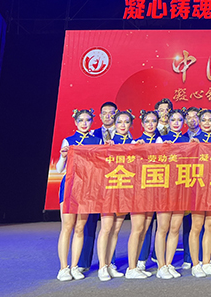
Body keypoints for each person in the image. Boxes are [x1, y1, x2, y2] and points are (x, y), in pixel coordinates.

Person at [98, 110, 152, 280]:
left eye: (126, 122)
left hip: (126, 191)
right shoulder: (108, 143)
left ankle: (109, 265)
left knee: (116, 229)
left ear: (131, 125)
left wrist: (141, 148)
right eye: (119, 122)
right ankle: (102, 267)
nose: (123, 125)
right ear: (114, 124)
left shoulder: (134, 143)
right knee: (106, 228)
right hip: (110, 190)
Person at [56, 109, 103, 281]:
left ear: (92, 122)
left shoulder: (97, 141)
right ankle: (63, 268)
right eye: (81, 120)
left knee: (79, 228)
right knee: (67, 227)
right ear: (75, 122)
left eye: (87, 120)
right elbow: (59, 169)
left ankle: (75, 266)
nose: (84, 123)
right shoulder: (68, 141)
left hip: (87, 187)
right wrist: (63, 156)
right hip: (69, 186)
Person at [78, 101, 117, 272]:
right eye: (105, 113)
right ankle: (83, 263)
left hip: (112, 183)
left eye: (111, 113)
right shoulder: (92, 135)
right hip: (92, 184)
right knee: (89, 223)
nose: (108, 115)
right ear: (100, 116)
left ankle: (109, 262)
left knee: (110, 226)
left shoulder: (124, 134)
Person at [187, 109, 211, 278]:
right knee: (196, 226)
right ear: (199, 122)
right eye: (204, 120)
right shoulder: (193, 141)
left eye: (210, 120)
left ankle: (207, 262)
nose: (207, 123)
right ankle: (196, 264)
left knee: (210, 226)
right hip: (198, 188)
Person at [152, 109, 185, 279]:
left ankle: (169, 263)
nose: (176, 123)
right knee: (162, 228)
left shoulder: (188, 141)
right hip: (164, 189)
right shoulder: (161, 139)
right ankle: (161, 265)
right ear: (168, 122)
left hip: (181, 189)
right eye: (173, 120)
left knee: (175, 228)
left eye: (180, 120)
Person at [135, 110, 163, 272]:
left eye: (153, 121)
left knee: (159, 225)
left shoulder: (161, 141)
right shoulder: (136, 142)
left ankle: (158, 260)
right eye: (147, 121)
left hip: (157, 186)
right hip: (142, 188)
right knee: (142, 226)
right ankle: (139, 260)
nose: (150, 124)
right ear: (142, 124)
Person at [178, 107, 202, 269]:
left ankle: (201, 258)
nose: (192, 120)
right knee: (186, 223)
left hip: (201, 183)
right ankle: (188, 257)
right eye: (189, 117)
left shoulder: (208, 138)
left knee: (201, 223)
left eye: (195, 117)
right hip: (185, 183)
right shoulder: (181, 138)